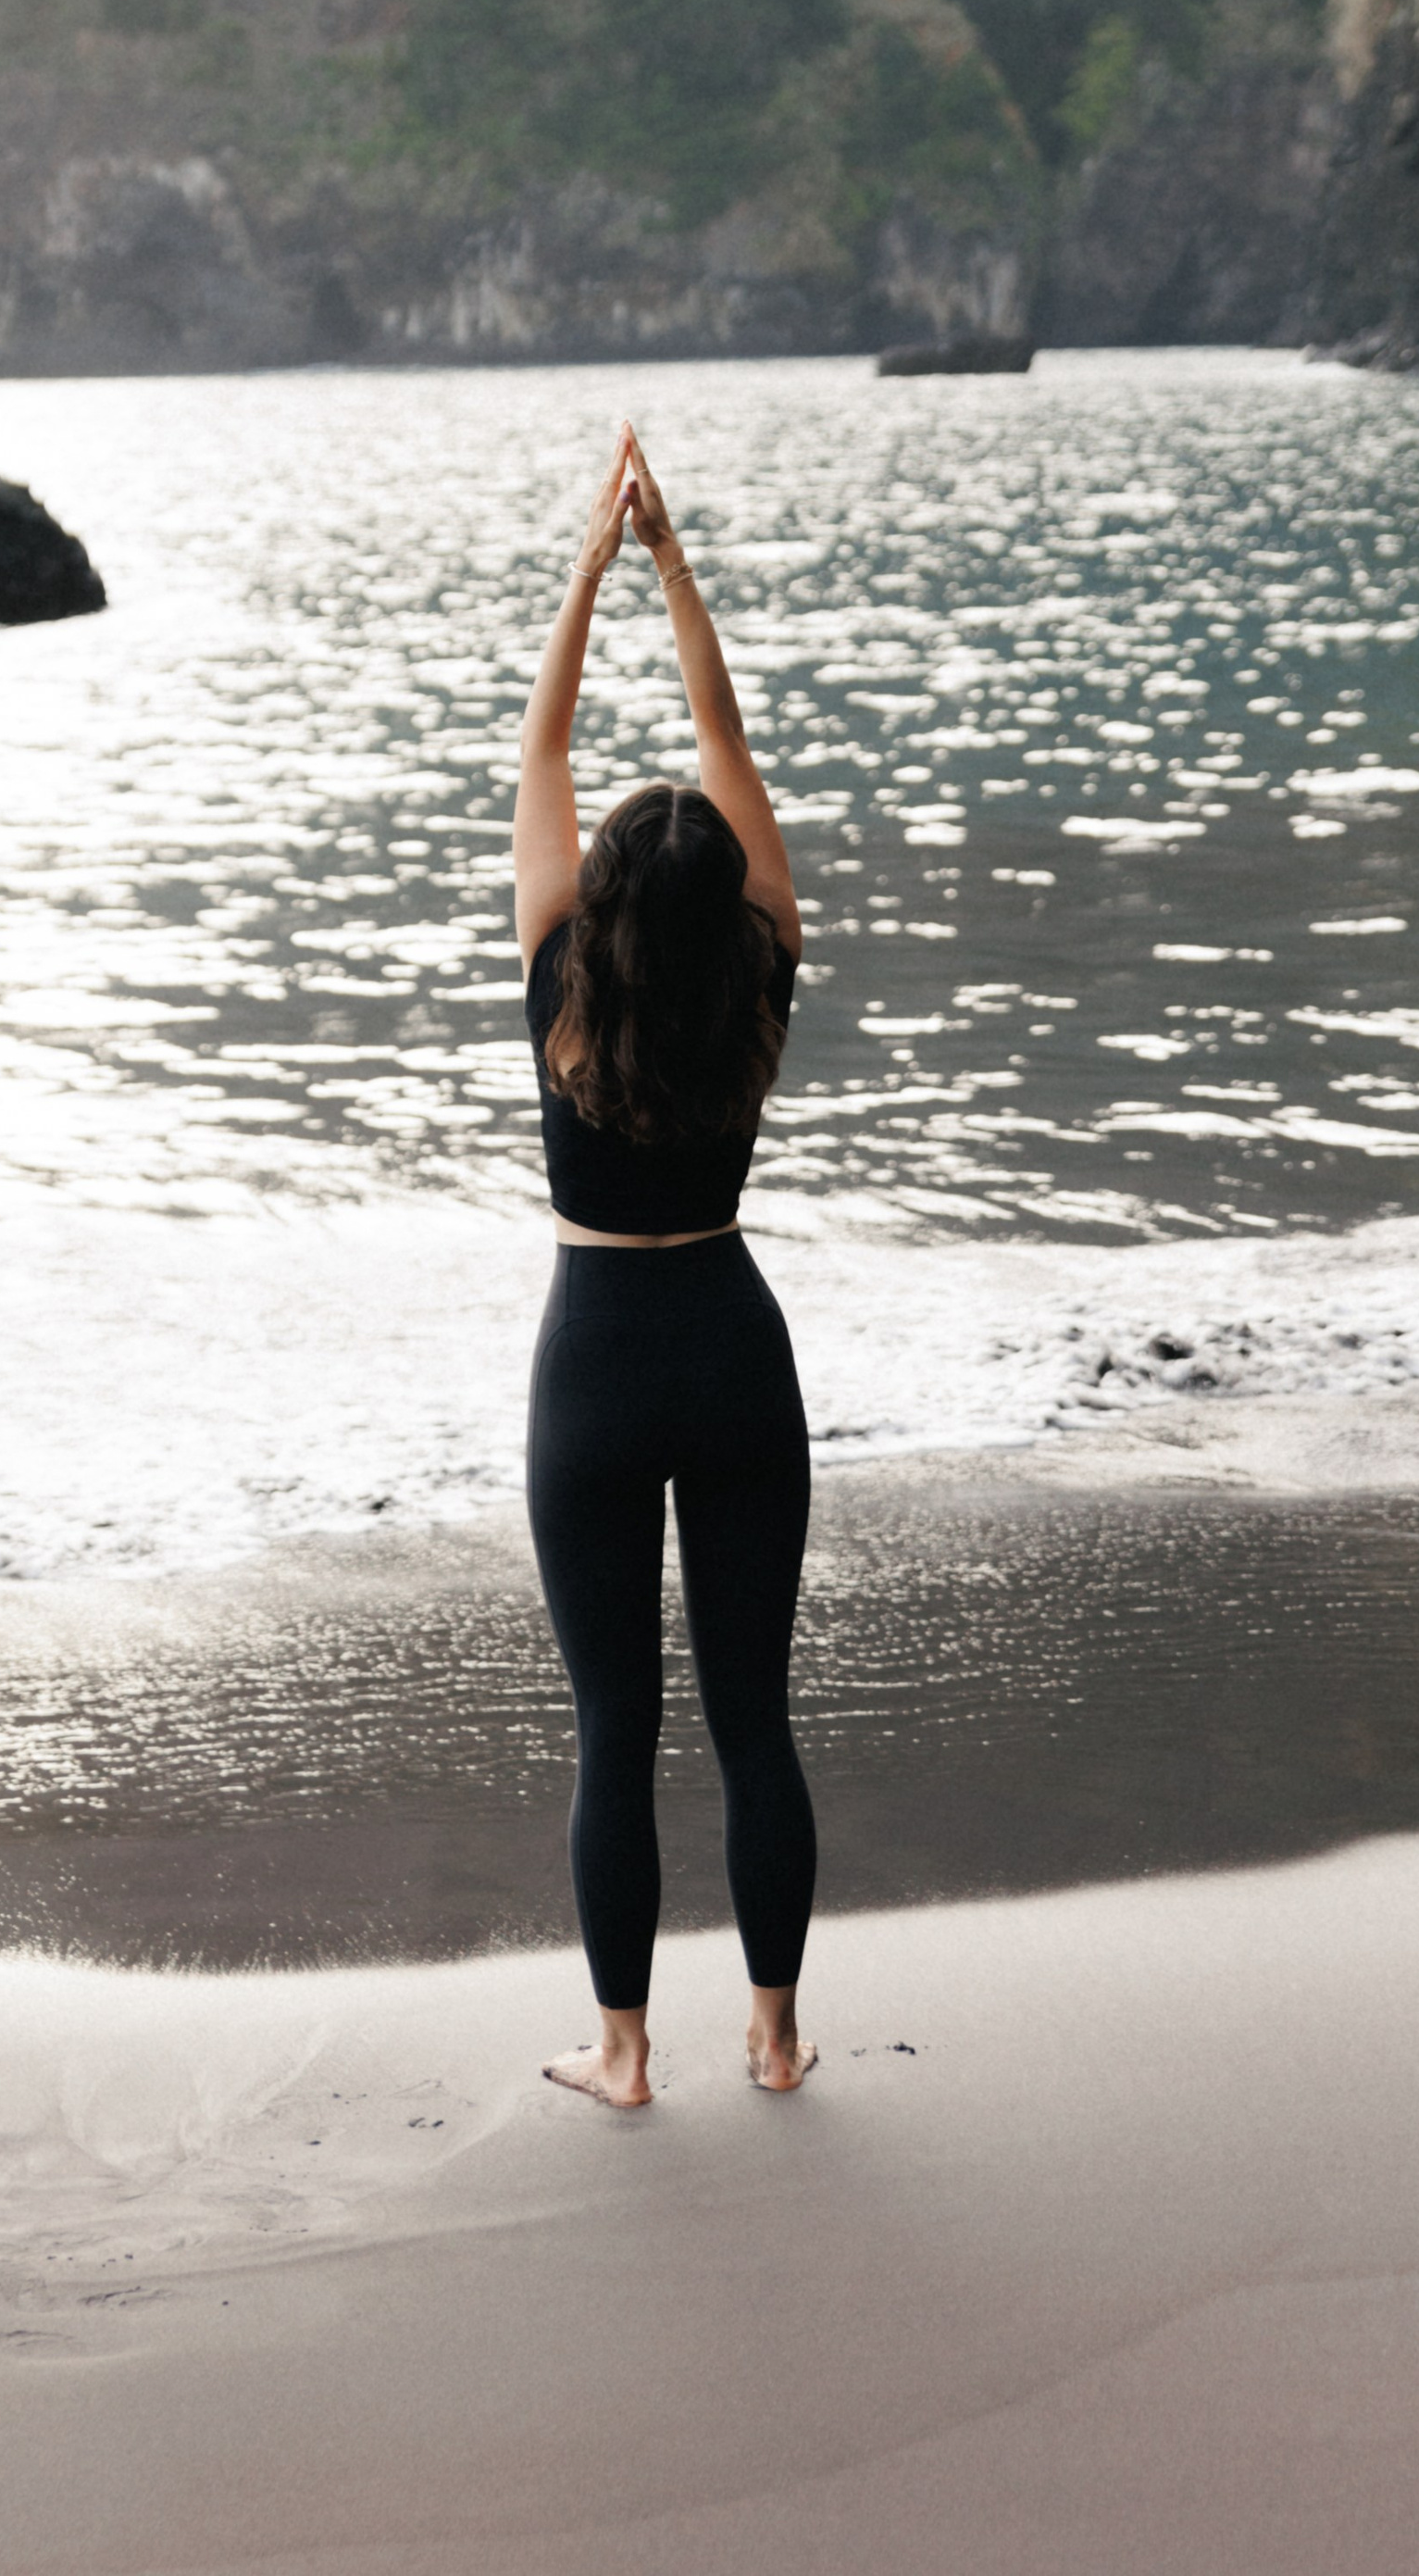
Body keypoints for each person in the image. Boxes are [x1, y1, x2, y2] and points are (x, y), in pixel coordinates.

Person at [514, 419, 818, 2108]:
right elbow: (725, 735)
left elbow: (544, 739)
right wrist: (675, 568)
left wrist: (589, 566)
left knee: (614, 1732)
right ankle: (774, 2035)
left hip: (597, 1363)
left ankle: (626, 2054)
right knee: (752, 1720)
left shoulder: (558, 972)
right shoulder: (764, 971)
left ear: (603, 904)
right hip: (733, 1340)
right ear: (724, 905)